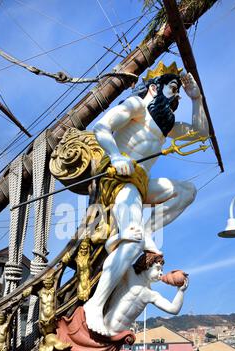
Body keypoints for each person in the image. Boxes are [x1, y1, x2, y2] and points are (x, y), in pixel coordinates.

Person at [84, 61, 208, 333]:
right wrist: (116, 156)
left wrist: (196, 99)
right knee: (132, 239)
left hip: (141, 182)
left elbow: (201, 133)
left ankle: (146, 231)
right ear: (154, 88)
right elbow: (101, 127)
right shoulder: (136, 106)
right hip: (119, 178)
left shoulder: (164, 124)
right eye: (172, 88)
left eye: (178, 91)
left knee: (187, 191)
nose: (176, 95)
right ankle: (94, 304)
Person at [87, 250, 188, 336]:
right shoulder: (130, 273)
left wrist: (180, 291)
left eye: (162, 270)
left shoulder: (152, 295)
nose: (161, 273)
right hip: (102, 327)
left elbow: (173, 309)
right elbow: (118, 258)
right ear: (147, 264)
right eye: (158, 269)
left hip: (118, 336)